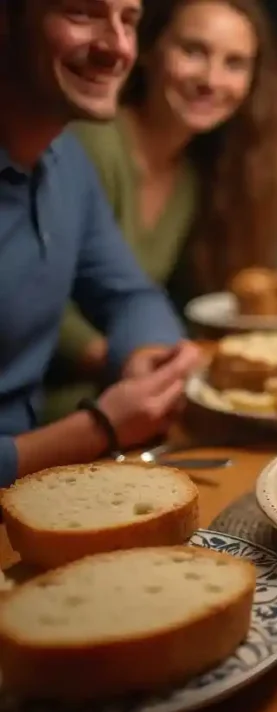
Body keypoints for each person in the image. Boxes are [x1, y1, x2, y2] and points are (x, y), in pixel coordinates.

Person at [44, 0, 277, 421]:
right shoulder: (92, 141)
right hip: (57, 411)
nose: (212, 80)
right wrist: (134, 364)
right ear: (149, 51)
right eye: (194, 51)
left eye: (234, 63)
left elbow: (137, 301)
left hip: (133, 409)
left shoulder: (192, 178)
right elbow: (40, 296)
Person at [0, 0, 204, 487]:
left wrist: (143, 358)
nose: (117, 47)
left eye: (128, 20)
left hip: (33, 491)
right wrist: (100, 427)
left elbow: (129, 294)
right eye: (81, 13)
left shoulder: (65, 158)